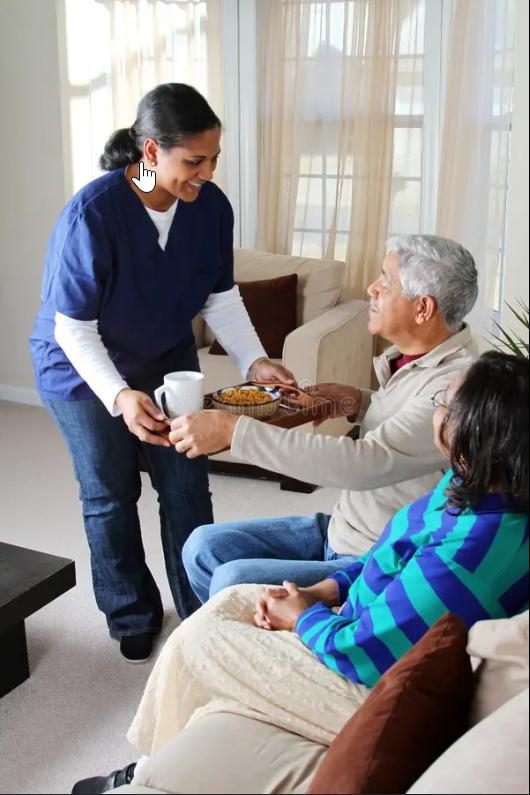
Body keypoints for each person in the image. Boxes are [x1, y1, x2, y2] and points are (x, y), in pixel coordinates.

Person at [72, 351, 529, 794]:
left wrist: (301, 618)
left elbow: (362, 652)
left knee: (199, 638)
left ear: (477, 431)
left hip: (360, 681)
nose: (437, 410)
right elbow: (386, 560)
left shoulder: (469, 557)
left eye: (445, 404)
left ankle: (146, 770)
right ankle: (166, 758)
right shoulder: (466, 488)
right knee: (233, 599)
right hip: (355, 608)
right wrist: (320, 591)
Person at [29, 83, 294, 663]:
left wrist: (255, 359)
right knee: (109, 492)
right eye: (193, 161)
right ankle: (131, 614)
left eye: (213, 158)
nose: (206, 172)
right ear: (150, 153)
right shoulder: (94, 215)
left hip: (166, 358)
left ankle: (200, 607)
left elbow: (219, 297)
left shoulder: (210, 207)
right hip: (82, 371)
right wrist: (121, 396)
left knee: (186, 485)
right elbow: (73, 329)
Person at [172, 234, 479, 602]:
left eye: (386, 281)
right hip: (345, 529)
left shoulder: (452, 389)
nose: (371, 288)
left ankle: (270, 642)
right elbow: (407, 432)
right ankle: (225, 636)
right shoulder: (416, 358)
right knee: (202, 546)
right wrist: (360, 401)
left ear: (423, 308)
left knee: (232, 581)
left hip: (376, 557)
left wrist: (234, 431)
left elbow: (363, 463)